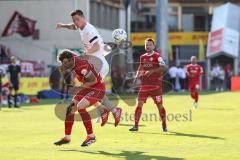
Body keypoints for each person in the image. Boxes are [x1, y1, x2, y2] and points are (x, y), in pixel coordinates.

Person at [56, 9, 121, 126]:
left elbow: (96, 46)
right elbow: (73, 27)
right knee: (92, 90)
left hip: (98, 64)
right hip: (94, 64)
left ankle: (111, 111)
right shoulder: (81, 27)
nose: (76, 22)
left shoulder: (89, 30)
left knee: (93, 89)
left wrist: (86, 54)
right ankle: (106, 110)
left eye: (78, 19)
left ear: (83, 17)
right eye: (74, 20)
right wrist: (63, 26)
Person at [54, 50, 110, 147]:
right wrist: (63, 65)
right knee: (70, 108)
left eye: (66, 62)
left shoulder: (82, 67)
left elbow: (94, 81)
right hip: (88, 87)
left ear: (71, 60)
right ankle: (67, 137)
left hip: (97, 88)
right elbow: (68, 53)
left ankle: (91, 136)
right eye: (63, 62)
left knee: (80, 106)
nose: (64, 64)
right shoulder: (72, 59)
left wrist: (78, 88)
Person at [129, 38, 167, 132]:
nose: (148, 46)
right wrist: (136, 77)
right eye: (146, 45)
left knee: (159, 106)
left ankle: (164, 125)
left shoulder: (157, 56)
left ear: (153, 46)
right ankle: (136, 126)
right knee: (139, 104)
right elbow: (141, 67)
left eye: (150, 44)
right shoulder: (143, 57)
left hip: (156, 86)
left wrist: (152, 71)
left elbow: (164, 67)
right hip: (144, 85)